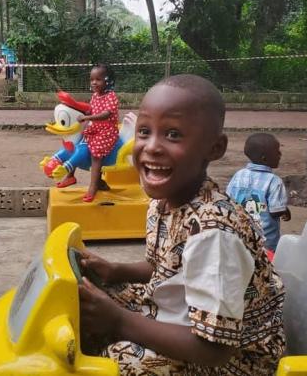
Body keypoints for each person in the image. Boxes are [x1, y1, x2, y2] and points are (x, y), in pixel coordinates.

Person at [78, 74, 285, 375]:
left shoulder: (214, 234)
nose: (152, 147)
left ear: (215, 148)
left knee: (113, 358)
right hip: (184, 318)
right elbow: (165, 266)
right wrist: (116, 270)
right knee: (91, 291)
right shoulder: (163, 203)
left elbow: (214, 350)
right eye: (144, 131)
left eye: (173, 135)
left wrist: (120, 322)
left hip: (234, 359)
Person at [226, 133, 290, 253]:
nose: (280, 155)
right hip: (265, 242)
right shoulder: (274, 181)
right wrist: (285, 210)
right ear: (264, 158)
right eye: (277, 151)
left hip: (240, 236)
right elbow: (276, 211)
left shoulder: (238, 175)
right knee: (266, 267)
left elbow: (229, 200)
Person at [78, 64, 119, 202]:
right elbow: (90, 110)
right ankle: (70, 175)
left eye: (98, 79)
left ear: (107, 81)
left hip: (107, 131)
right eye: (92, 79)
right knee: (77, 142)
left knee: (96, 154)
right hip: (95, 128)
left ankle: (93, 186)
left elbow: (106, 114)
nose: (94, 82)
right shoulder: (95, 96)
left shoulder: (111, 96)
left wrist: (87, 118)